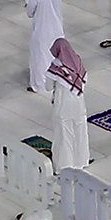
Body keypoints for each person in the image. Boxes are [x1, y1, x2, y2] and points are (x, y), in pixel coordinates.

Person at [48, 39, 91, 169]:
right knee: (80, 134)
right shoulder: (78, 63)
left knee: (64, 136)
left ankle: (64, 165)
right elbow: (84, 80)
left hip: (63, 106)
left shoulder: (56, 66)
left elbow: (47, 86)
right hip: (79, 105)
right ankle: (82, 161)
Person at [26, 0, 65, 91]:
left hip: (42, 31)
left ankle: (39, 85)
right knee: (56, 56)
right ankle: (57, 80)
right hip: (57, 29)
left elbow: (29, 13)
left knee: (40, 58)